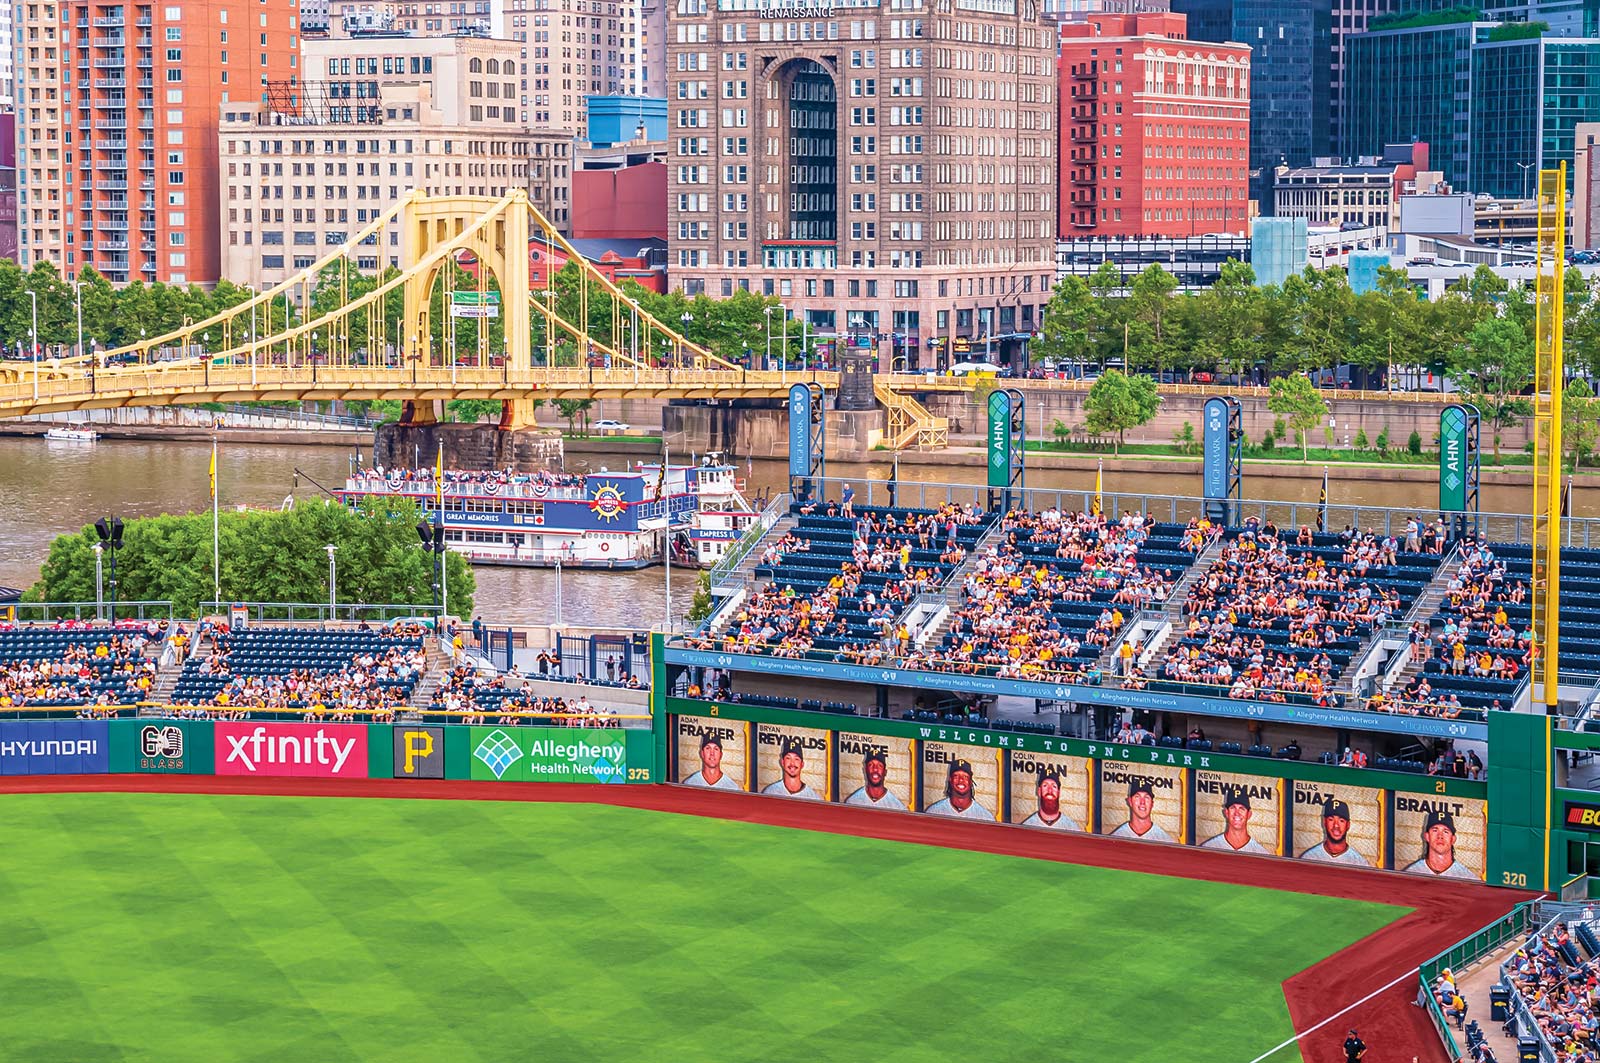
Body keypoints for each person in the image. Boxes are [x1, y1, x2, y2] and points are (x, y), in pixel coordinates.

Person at [1403, 808, 1477, 879]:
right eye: (1435, 830)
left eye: (1446, 832)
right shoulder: (1412, 872)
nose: (1440, 836)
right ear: (1427, 836)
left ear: (1453, 839)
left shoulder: (1467, 877)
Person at [1300, 798, 1372, 865]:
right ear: (1324, 822)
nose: (1336, 826)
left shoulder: (1360, 862)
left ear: (1348, 825)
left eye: (1341, 821)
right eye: (1331, 819)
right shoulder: (1309, 857)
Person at [1201, 786, 1269, 853]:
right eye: (1233, 808)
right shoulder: (1209, 847)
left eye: (1242, 808)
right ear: (1226, 812)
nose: (1237, 813)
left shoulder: (1260, 852)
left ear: (1249, 814)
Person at [926, 758, 994, 820]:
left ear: (971, 781)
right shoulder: (933, 812)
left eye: (965, 777)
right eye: (956, 776)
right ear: (950, 779)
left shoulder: (986, 817)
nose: (961, 780)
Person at [1110, 777, 1174, 842]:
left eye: (1146, 797)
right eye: (1137, 797)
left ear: (1152, 803)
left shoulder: (1165, 839)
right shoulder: (1117, 836)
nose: (1142, 802)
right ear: (1130, 801)